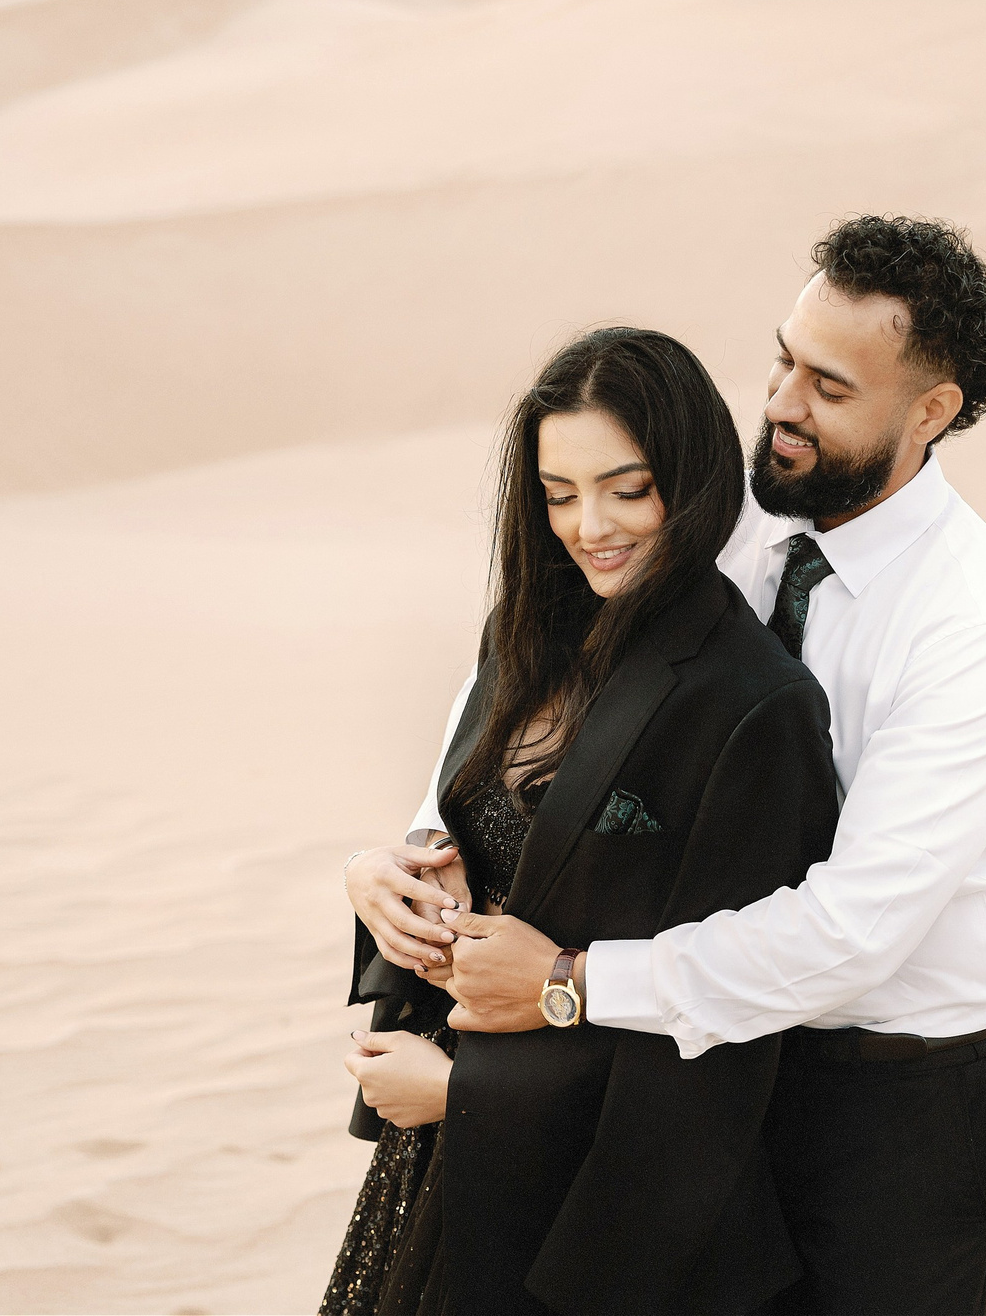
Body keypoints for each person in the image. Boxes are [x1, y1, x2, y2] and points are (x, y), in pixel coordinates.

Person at [390, 216, 986, 1315]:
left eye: (830, 388)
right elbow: (531, 684)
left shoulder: (976, 621)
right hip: (699, 1077)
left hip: (891, 1105)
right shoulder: (717, 513)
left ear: (931, 412)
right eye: (784, 360)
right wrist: (423, 841)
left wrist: (569, 985)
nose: (782, 404)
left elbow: (853, 931)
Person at [323, 328, 842, 1316]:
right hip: (442, 1168)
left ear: (689, 480)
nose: (588, 526)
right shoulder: (524, 634)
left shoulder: (754, 704)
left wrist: (465, 1098)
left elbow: (730, 1037)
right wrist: (392, 880)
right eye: (558, 494)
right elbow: (475, 844)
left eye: (625, 489)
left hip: (601, 1220)